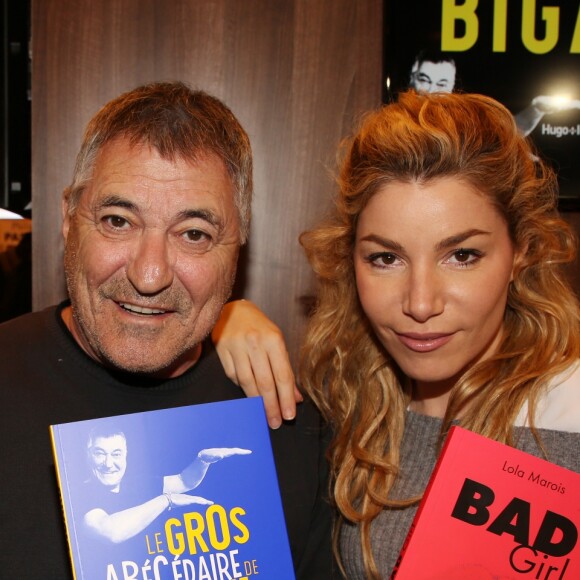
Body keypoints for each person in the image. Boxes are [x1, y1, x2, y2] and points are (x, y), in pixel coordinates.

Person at [213, 90, 580, 578]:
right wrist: (217, 320)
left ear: (522, 253)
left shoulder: (568, 415)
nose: (420, 303)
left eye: (462, 255)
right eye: (386, 258)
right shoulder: (347, 406)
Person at [0, 81, 332, 578]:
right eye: (118, 221)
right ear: (70, 219)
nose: (149, 274)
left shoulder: (287, 423)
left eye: (193, 234)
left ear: (237, 247)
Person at [82, 427, 250, 543]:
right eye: (100, 453)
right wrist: (166, 501)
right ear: (89, 455)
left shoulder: (135, 483)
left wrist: (202, 461)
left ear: (126, 455)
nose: (108, 463)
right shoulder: (80, 493)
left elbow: (184, 481)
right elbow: (112, 532)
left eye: (116, 454)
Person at [404, 48, 580, 137]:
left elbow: (506, 132)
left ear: (453, 85)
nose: (432, 91)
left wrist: (535, 110)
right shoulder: (390, 132)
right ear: (412, 77)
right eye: (425, 80)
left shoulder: (461, 129)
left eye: (442, 83)